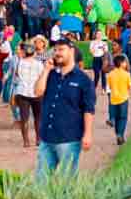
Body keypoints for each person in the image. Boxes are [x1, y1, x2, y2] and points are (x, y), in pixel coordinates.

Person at [34, 38, 96, 175]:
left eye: (61, 49)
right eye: (55, 50)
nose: (57, 53)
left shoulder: (83, 80)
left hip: (69, 139)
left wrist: (88, 134)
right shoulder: (50, 75)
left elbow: (88, 109)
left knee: (65, 183)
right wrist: (46, 70)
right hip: (46, 138)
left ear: (71, 51)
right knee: (41, 183)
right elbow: (37, 92)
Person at [13, 41, 46, 148]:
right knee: (38, 117)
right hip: (37, 92)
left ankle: (26, 141)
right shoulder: (39, 63)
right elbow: (42, 77)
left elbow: (17, 75)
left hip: (22, 92)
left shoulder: (20, 62)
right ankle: (38, 139)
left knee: (24, 118)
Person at [108, 54, 131, 145]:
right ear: (121, 63)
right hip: (124, 98)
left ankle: (117, 134)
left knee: (117, 118)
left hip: (113, 98)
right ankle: (120, 134)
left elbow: (109, 86)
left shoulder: (111, 74)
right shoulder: (127, 74)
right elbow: (129, 86)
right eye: (125, 62)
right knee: (123, 118)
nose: (126, 64)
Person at [90, 30, 109, 95]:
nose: (99, 35)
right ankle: (94, 88)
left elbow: (106, 52)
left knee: (103, 74)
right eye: (97, 34)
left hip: (102, 59)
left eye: (100, 34)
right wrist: (94, 47)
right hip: (96, 58)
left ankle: (103, 89)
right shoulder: (92, 42)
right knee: (96, 74)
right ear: (95, 35)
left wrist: (103, 48)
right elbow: (91, 51)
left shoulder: (104, 43)